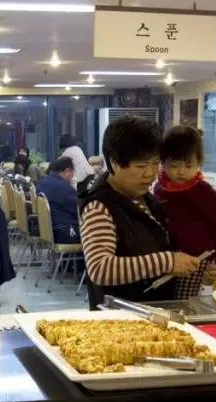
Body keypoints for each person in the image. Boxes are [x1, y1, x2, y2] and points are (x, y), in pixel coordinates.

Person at [79, 116, 198, 306]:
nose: (150, 173)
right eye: (141, 166)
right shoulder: (99, 207)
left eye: (155, 163)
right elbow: (100, 268)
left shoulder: (145, 199)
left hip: (154, 311)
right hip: (121, 318)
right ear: (114, 163)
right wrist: (167, 262)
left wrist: (192, 266)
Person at [153, 126, 216, 297]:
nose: (181, 172)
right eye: (174, 166)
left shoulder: (203, 191)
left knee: (183, 300)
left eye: (189, 166)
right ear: (163, 163)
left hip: (196, 257)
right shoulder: (159, 187)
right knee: (164, 296)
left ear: (198, 164)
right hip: (168, 256)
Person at [36, 156, 80, 244]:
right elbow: (79, 211)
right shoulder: (65, 189)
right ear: (67, 171)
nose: (72, 177)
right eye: (73, 174)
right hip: (64, 232)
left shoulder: (42, 182)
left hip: (49, 231)